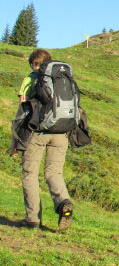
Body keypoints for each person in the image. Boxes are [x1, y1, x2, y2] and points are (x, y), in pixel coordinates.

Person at [9, 49, 73, 231]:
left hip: (37, 133)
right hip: (61, 133)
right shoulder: (61, 79)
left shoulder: (31, 79)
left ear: (33, 64)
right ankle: (63, 203)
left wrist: (16, 141)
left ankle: (32, 219)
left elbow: (23, 110)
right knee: (54, 173)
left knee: (30, 174)